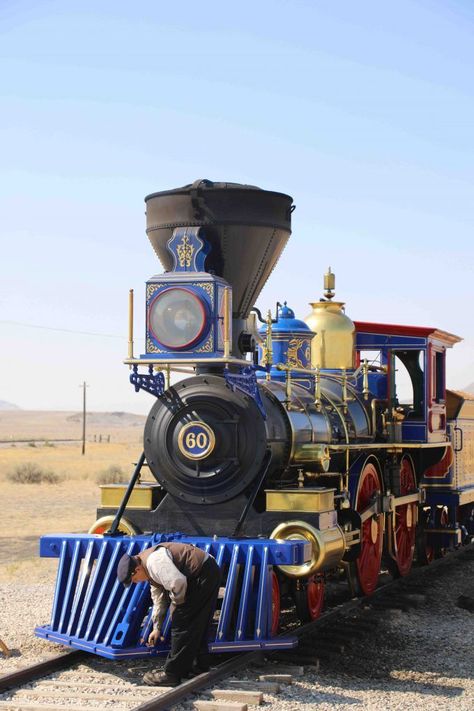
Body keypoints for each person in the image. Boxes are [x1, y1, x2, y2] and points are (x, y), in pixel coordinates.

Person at [117, 541, 220, 686]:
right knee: (197, 623)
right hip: (205, 571)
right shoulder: (148, 568)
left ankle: (172, 674)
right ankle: (200, 666)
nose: (136, 583)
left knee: (181, 624)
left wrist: (176, 606)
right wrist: (157, 628)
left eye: (134, 579)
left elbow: (178, 582)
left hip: (202, 573)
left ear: (137, 569)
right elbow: (158, 599)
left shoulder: (154, 562)